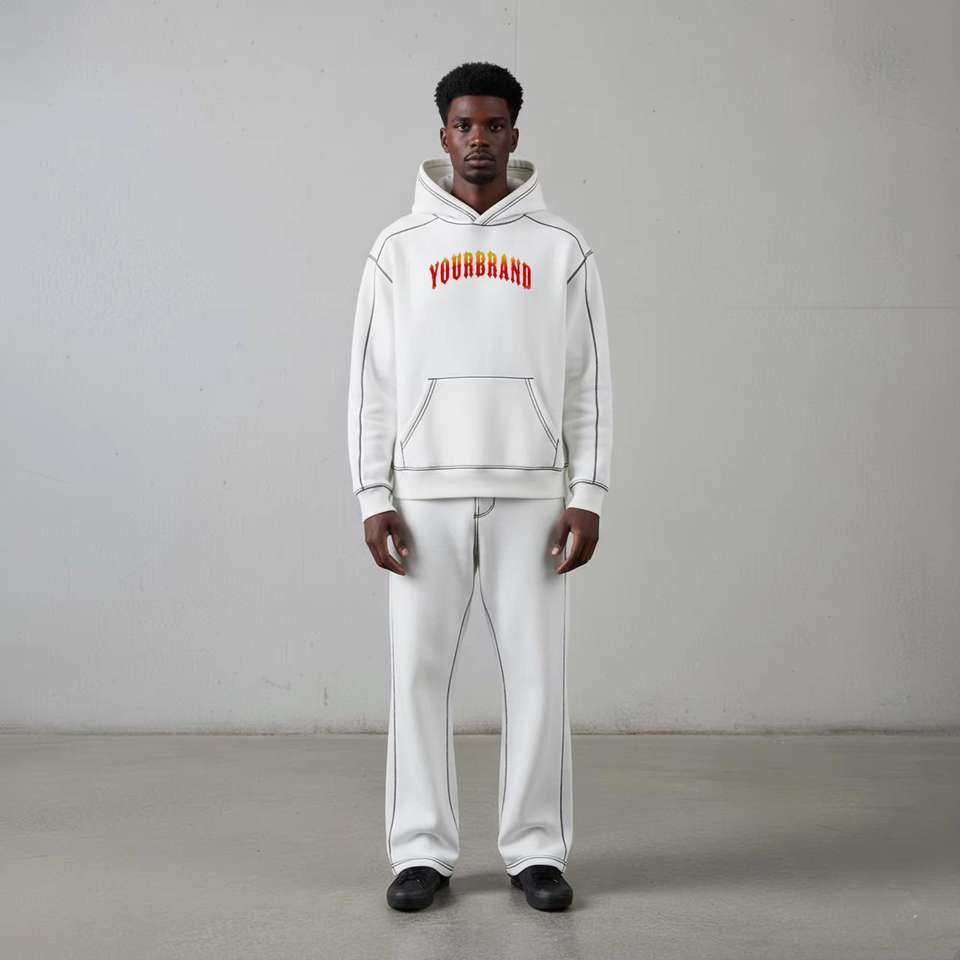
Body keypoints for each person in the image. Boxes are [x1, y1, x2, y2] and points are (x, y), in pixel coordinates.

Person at [346, 61, 613, 912]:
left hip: (533, 494)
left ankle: (536, 850)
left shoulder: (561, 247)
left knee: (537, 678)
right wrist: (373, 495)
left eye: (494, 125)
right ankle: (420, 852)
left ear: (514, 135)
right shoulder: (397, 248)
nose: (478, 140)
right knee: (417, 678)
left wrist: (589, 491)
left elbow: (588, 381)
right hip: (423, 494)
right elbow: (371, 382)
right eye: (464, 125)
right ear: (444, 135)